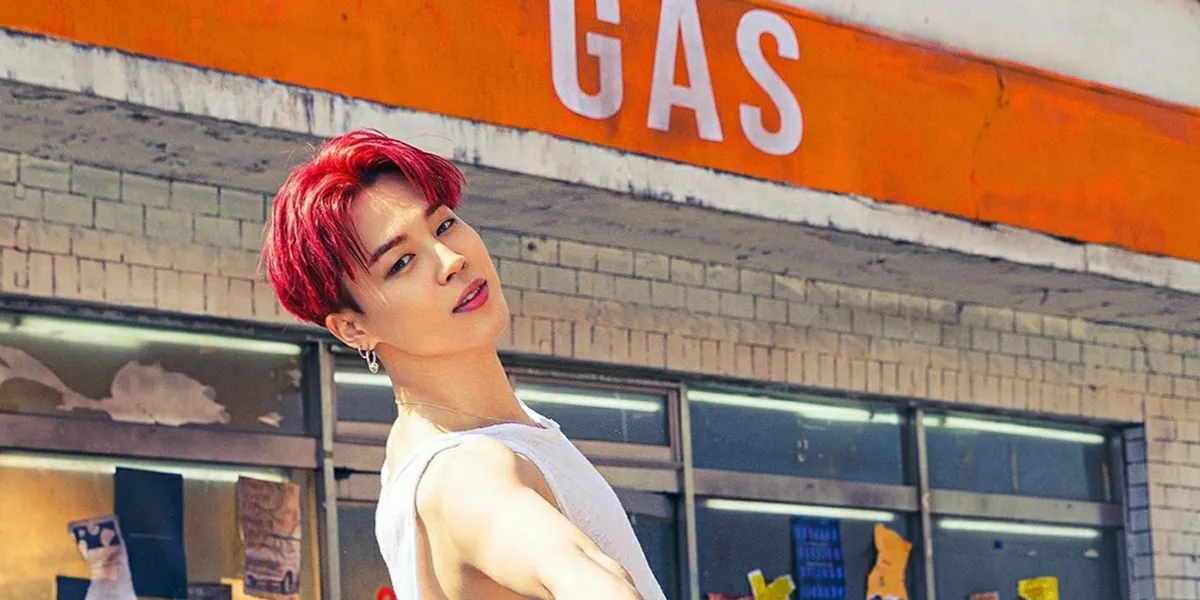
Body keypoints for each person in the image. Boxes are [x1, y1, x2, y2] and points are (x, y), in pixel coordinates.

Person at [262, 129, 666, 600]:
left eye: (443, 225)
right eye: (401, 262)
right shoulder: (464, 470)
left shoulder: (428, 446)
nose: (451, 259)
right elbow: (589, 582)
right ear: (352, 329)